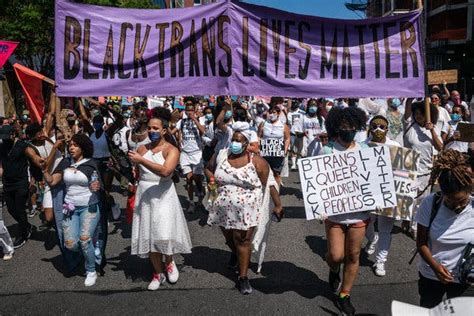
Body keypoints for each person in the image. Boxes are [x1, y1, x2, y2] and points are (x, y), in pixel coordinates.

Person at [206, 130, 283, 295]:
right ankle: (236, 254)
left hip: (247, 209)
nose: (235, 143)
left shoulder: (258, 162)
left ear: (247, 144)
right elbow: (208, 168)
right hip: (222, 206)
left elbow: (269, 184)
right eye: (233, 139)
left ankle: (243, 277)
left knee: (243, 240)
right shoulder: (221, 155)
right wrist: (211, 179)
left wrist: (278, 205)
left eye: (239, 141)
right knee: (229, 238)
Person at [310, 106, 369, 316]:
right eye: (344, 126)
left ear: (358, 127)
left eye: (352, 126)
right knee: (336, 255)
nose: (349, 130)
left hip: (359, 214)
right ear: (337, 128)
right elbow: (316, 181)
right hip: (334, 215)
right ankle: (334, 270)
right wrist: (318, 206)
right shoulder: (327, 150)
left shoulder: (364, 150)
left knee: (353, 255)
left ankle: (345, 294)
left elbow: (373, 180)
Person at [128, 108, 192, 291]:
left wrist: (141, 161)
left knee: (163, 233)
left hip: (163, 194)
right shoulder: (141, 149)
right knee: (149, 235)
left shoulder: (172, 150)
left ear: (164, 130)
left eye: (155, 128)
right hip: (145, 193)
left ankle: (170, 262)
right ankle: (158, 272)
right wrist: (135, 169)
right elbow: (139, 172)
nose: (152, 131)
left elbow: (165, 171)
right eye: (149, 128)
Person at [415, 149, 474, 308]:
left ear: (469, 189)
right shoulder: (430, 204)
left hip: (464, 281)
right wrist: (435, 267)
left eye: (461, 201)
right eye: (450, 201)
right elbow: (421, 243)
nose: (457, 205)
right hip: (431, 276)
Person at [42, 134, 103, 286]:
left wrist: (95, 186)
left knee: (84, 240)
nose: (71, 147)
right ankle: (90, 247)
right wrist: (44, 171)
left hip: (89, 207)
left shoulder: (91, 164)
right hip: (70, 208)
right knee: (70, 244)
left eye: (75, 145)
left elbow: (98, 184)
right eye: (70, 145)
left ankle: (91, 270)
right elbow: (53, 181)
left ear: (83, 148)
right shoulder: (65, 162)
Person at [363, 115, 400, 277]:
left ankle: (380, 260)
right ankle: (372, 239)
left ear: (387, 129)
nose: (378, 129)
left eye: (382, 126)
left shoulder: (395, 146)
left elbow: (403, 171)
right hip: (368, 193)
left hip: (388, 194)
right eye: (375, 126)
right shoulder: (362, 146)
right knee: (365, 223)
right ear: (370, 128)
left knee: (385, 229)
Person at [403, 99, 446, 239]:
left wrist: (432, 129)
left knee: (421, 202)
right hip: (408, 170)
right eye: (416, 113)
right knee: (409, 200)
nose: (418, 116)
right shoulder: (409, 124)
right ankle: (407, 220)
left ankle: (415, 227)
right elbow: (408, 106)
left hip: (425, 172)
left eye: (421, 113)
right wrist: (411, 96)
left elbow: (440, 148)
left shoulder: (432, 129)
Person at [2, 125, 42, 248]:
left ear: (13, 134)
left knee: (20, 209)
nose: (4, 140)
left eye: (6, 137)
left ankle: (23, 235)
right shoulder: (2, 146)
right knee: (11, 209)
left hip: (21, 183)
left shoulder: (23, 146)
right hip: (7, 183)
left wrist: (41, 162)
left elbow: (35, 158)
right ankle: (27, 225)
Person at [176, 100, 206, 213]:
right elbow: (173, 131)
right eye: (187, 110)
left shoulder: (200, 119)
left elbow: (203, 131)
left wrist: (194, 119)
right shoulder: (181, 121)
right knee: (189, 179)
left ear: (194, 110)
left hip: (197, 153)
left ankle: (200, 197)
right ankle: (191, 202)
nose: (189, 112)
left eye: (191, 110)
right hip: (185, 154)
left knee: (197, 179)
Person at [258, 104, 290, 185]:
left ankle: (276, 191)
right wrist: (258, 148)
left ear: (278, 114)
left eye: (274, 112)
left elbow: (287, 139)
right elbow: (259, 136)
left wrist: (285, 150)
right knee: (265, 173)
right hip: (265, 153)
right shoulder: (263, 124)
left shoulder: (283, 125)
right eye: (270, 112)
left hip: (278, 154)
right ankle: (266, 191)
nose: (272, 114)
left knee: (276, 173)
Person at [287, 99, 305, 170]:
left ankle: (298, 162)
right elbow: (289, 123)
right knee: (293, 149)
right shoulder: (289, 114)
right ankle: (293, 164)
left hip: (301, 133)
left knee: (300, 149)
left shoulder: (302, 113)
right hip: (293, 133)